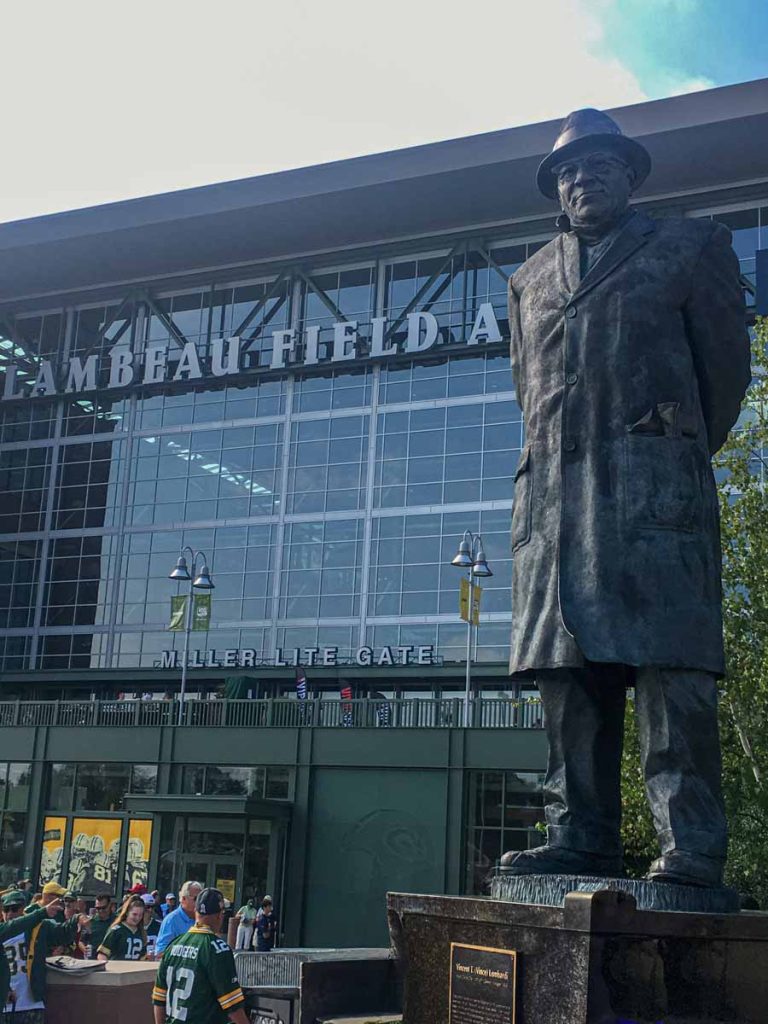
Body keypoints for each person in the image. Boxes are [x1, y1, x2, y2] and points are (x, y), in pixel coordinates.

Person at [503, 107, 751, 887]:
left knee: (671, 672)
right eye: (570, 171)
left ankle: (692, 844)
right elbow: (530, 393)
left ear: (631, 174)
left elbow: (726, 375)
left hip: (652, 497)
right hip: (554, 506)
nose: (585, 179)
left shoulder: (689, 246)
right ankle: (579, 833)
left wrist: (659, 452)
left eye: (601, 165)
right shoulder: (529, 278)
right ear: (556, 190)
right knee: (567, 680)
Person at [152, 887, 248, 1024]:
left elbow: (159, 998)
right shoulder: (217, 949)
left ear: (196, 912)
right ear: (219, 915)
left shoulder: (173, 945)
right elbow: (233, 1006)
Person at [2, 890, 86, 1023]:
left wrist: (76, 919)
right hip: (4, 1005)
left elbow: (62, 934)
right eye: (6, 909)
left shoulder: (39, 927)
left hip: (31, 1004)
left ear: (23, 909)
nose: (10, 914)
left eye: (14, 909)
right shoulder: (3, 931)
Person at [155, 881, 203, 956]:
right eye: (196, 898)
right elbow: (161, 951)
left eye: (201, 898)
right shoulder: (171, 920)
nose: (199, 902)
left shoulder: (203, 918)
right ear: (183, 898)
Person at [97, 896, 147, 961]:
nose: (137, 918)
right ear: (127, 912)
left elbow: (142, 958)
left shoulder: (141, 933)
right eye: (134, 914)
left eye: (140, 915)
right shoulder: (116, 930)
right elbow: (102, 954)